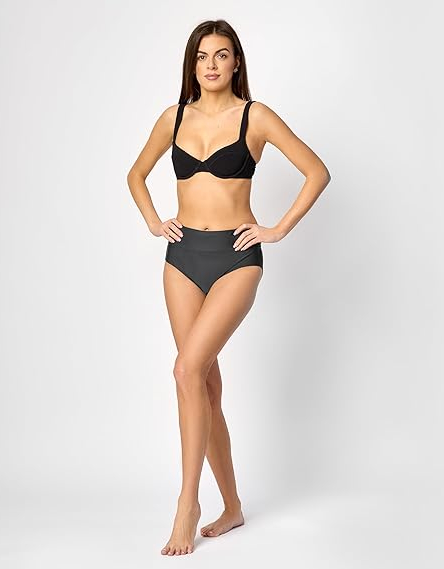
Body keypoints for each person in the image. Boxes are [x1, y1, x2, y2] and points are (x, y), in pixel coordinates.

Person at [126, 19, 331, 556]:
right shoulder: (173, 117)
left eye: (221, 55)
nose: (211, 65)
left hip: (236, 259)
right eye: (201, 56)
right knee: (204, 383)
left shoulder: (255, 117)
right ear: (191, 65)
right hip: (181, 258)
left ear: (236, 61)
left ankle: (187, 503)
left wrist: (277, 229)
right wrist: (154, 221)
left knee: (185, 370)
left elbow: (316, 171)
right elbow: (136, 175)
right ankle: (233, 505)